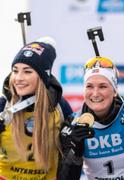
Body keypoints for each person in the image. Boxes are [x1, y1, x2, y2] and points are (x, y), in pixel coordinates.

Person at [57, 56, 124, 180]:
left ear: (114, 91)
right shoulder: (72, 125)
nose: (95, 93)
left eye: (103, 86)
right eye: (89, 86)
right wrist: (75, 151)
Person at [0, 37, 72, 179]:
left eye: (27, 71)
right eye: (15, 71)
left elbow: (71, 164)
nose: (18, 78)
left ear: (42, 76)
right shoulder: (3, 106)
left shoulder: (60, 107)